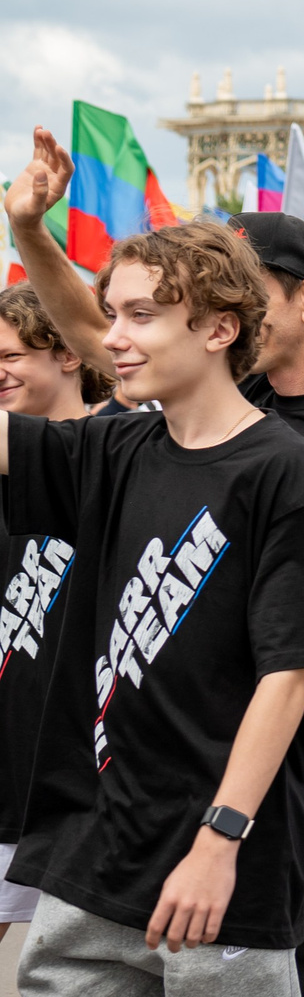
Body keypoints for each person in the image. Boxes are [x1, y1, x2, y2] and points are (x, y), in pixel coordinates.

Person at [2, 188, 304, 997]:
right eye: (110, 313)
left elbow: (289, 667)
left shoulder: (282, 468)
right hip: (92, 852)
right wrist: (24, 234)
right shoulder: (110, 450)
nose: (113, 334)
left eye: (142, 313)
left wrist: (220, 838)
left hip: (222, 869)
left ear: (215, 326)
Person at [0, 281, 105, 949]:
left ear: (68, 352)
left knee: (87, 983)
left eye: (10, 356)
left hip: (84, 784)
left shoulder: (122, 451)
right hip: (5, 769)